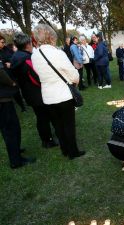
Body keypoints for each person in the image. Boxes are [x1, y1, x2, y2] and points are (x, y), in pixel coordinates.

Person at [31, 24, 85, 159]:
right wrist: (75, 81)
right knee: (68, 125)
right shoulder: (57, 53)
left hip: (47, 95)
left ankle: (65, 149)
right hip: (63, 95)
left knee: (58, 125)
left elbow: (38, 73)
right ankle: (73, 152)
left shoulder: (35, 54)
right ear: (51, 37)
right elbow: (74, 74)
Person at [10, 32, 58, 149]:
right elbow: (36, 78)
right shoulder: (26, 58)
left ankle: (48, 138)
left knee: (41, 116)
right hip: (36, 93)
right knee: (44, 117)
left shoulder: (15, 57)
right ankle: (47, 140)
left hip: (28, 93)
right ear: (27, 44)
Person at [0, 62, 36, 169]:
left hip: (4, 100)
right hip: (3, 101)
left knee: (10, 128)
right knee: (10, 129)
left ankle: (15, 150)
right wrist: (12, 83)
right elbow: (1, 73)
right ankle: (15, 160)